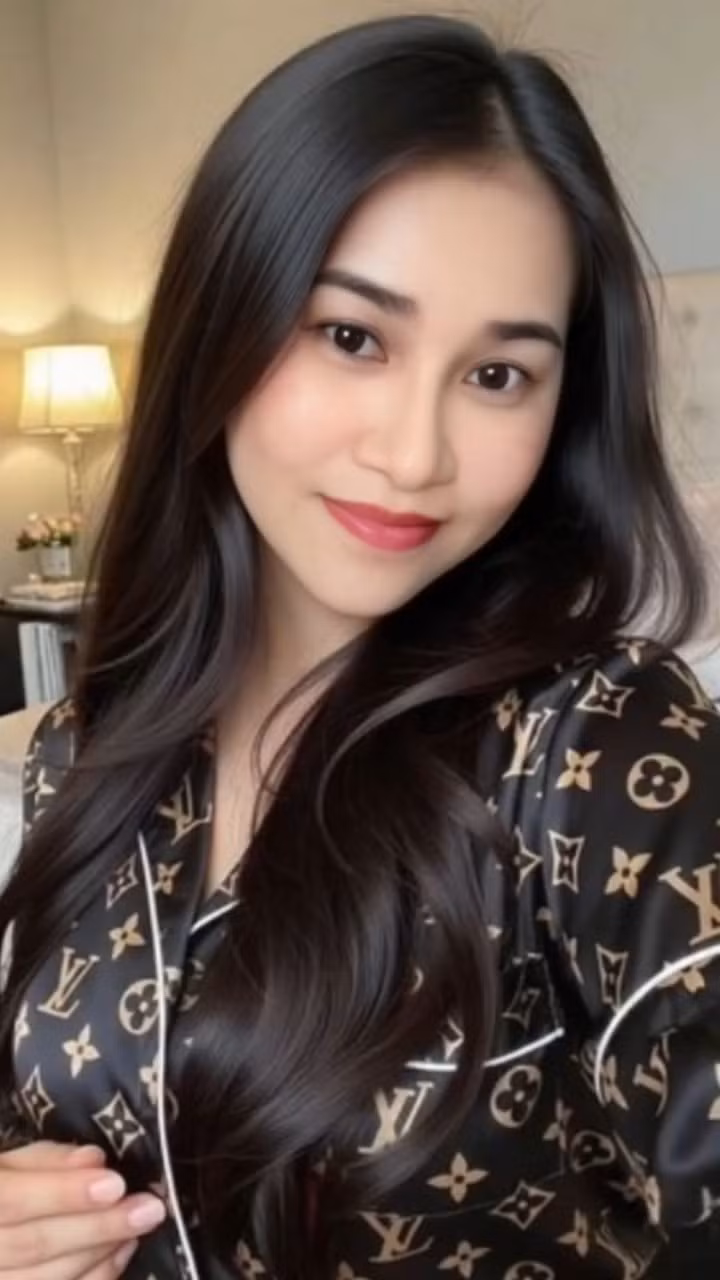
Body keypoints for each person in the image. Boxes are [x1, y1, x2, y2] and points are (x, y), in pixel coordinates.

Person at [0, 12, 718, 1279]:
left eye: (498, 375)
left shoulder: (597, 744)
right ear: (221, 323)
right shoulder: (87, 743)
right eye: (352, 336)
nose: (414, 454)